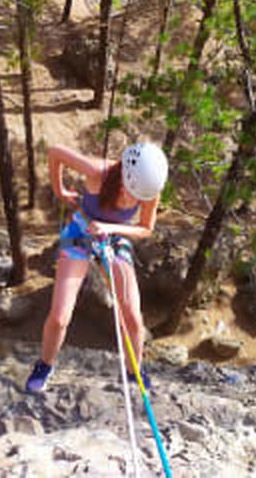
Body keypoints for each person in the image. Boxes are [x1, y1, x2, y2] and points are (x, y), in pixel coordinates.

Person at [25, 142, 168, 393]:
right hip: (81, 230)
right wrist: (60, 190)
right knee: (59, 317)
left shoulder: (149, 188)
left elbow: (146, 228)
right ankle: (44, 366)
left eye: (139, 196)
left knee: (133, 318)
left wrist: (110, 228)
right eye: (129, 191)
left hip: (114, 235)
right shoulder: (98, 172)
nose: (133, 199)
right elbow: (56, 152)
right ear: (123, 175)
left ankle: (134, 372)